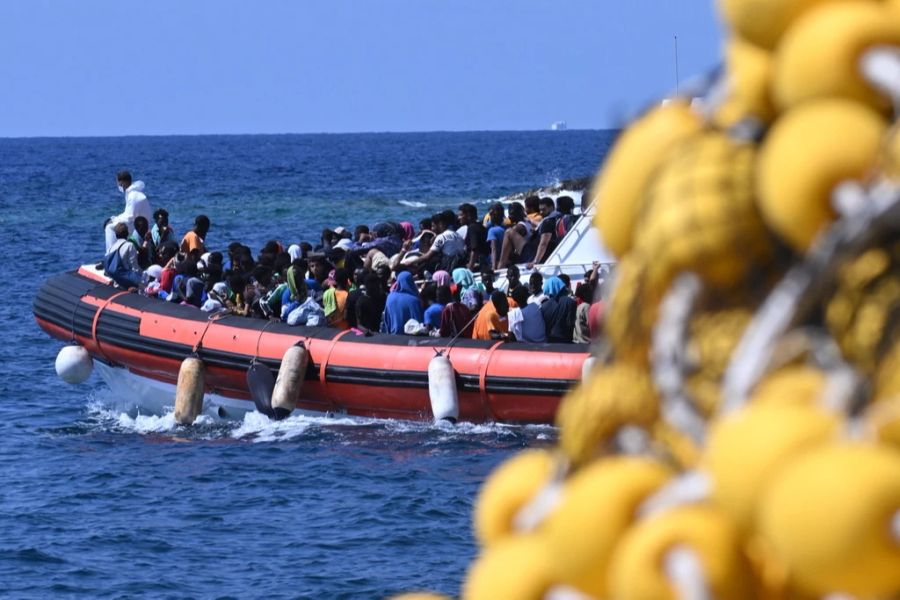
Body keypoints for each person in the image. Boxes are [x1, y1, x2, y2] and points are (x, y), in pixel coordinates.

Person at [104, 171, 152, 251]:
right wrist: (114, 219)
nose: (119, 186)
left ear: (123, 183)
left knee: (109, 228)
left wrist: (113, 221)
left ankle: (111, 253)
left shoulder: (133, 196)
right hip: (140, 223)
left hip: (139, 226)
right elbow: (128, 213)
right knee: (114, 224)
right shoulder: (135, 193)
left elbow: (129, 217)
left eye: (119, 183)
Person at [103, 222, 143, 289]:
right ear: (127, 233)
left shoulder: (111, 248)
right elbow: (134, 266)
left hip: (116, 282)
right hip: (127, 283)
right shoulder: (129, 245)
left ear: (116, 235)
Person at [540, 276, 577, 343]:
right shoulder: (570, 302)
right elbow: (570, 324)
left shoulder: (543, 306)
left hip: (550, 342)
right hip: (566, 341)